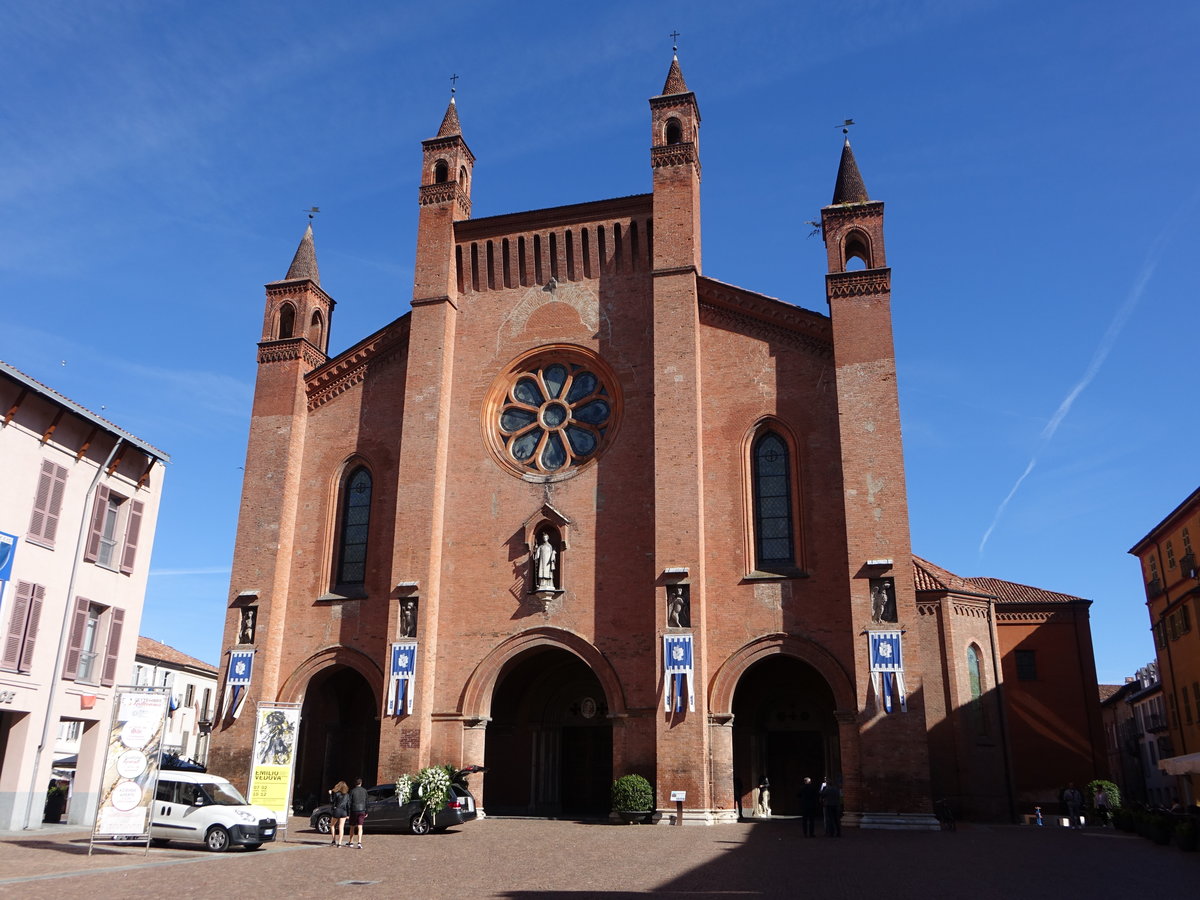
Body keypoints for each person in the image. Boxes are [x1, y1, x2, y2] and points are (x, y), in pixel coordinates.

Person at [347, 777, 369, 848]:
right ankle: (359, 842)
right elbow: (366, 802)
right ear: (361, 783)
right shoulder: (365, 791)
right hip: (362, 810)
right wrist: (366, 811)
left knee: (352, 827)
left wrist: (348, 812)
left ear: (355, 783)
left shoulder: (352, 791)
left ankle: (351, 842)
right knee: (360, 826)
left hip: (354, 810)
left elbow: (349, 802)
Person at [328, 780, 349, 846]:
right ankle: (339, 843)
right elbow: (348, 805)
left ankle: (333, 840)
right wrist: (348, 814)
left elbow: (332, 801)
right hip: (344, 811)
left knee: (332, 825)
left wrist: (330, 794)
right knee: (341, 827)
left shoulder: (337, 794)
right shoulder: (347, 795)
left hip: (337, 810)